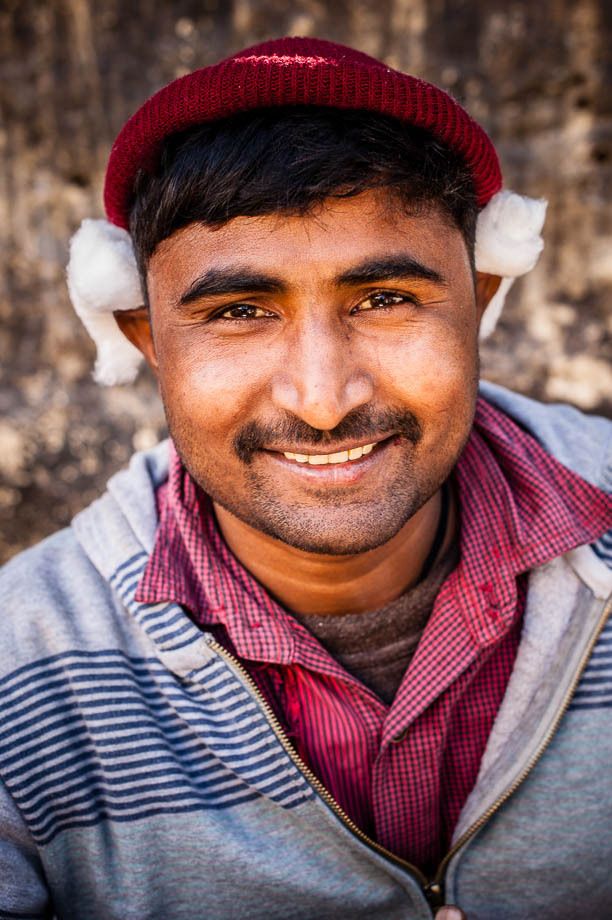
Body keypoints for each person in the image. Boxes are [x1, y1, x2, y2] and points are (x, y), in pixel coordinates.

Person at [1, 37, 610, 920]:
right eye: (239, 313)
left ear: (481, 298)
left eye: (386, 299)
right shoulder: (22, 672)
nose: (323, 399)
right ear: (145, 337)